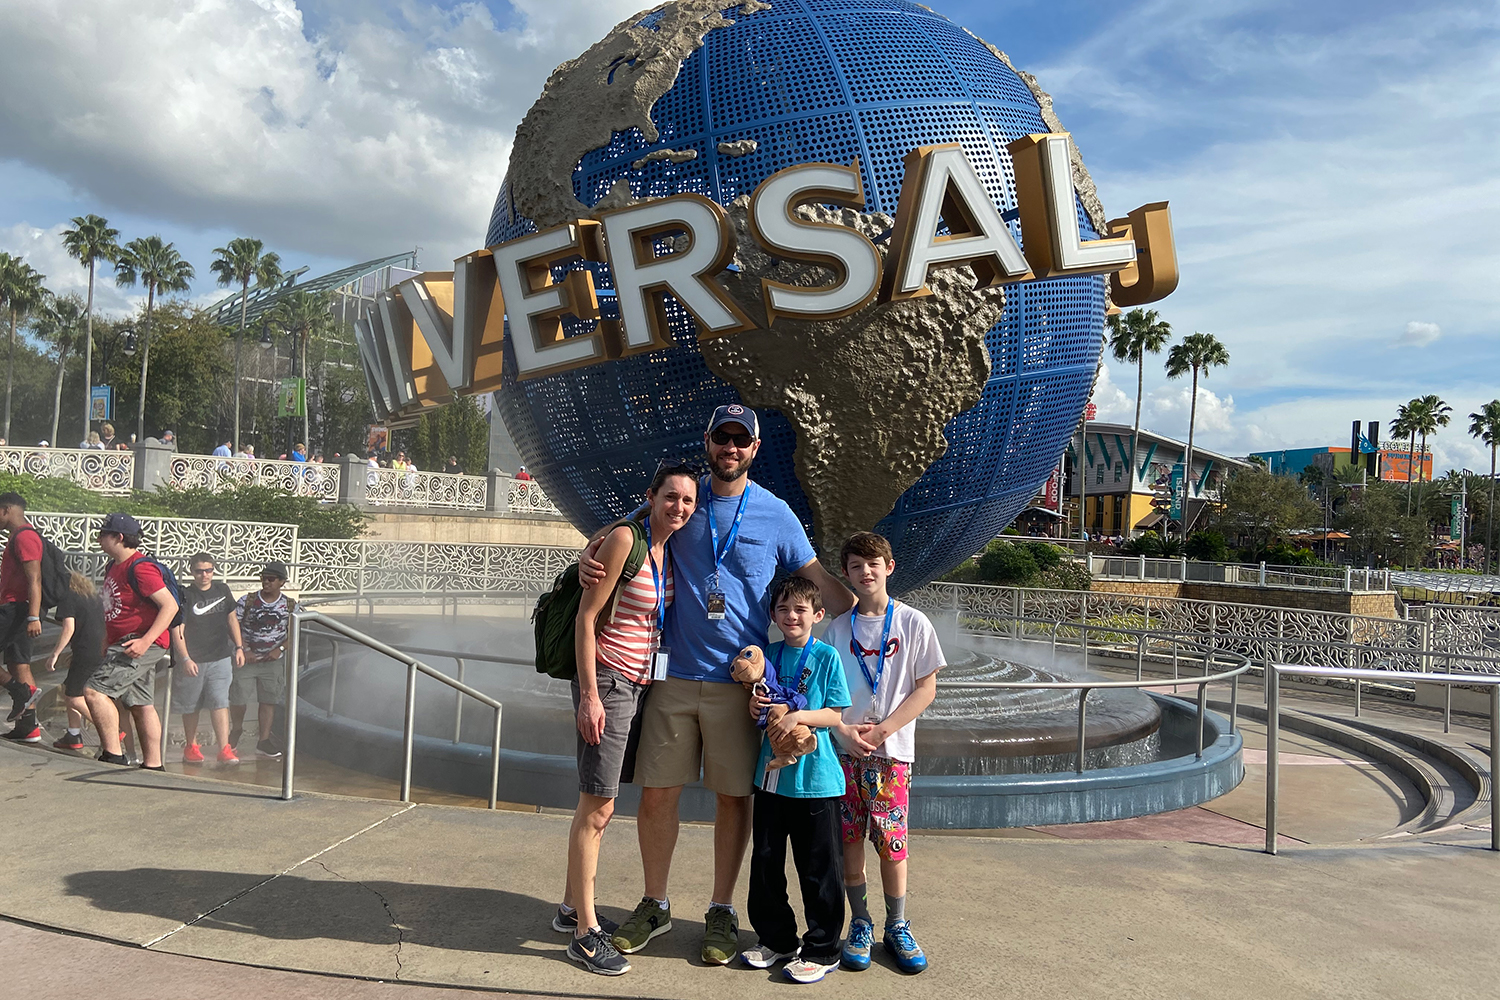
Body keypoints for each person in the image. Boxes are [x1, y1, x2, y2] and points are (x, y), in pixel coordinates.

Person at [589, 404, 854, 966]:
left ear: (754, 448)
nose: (730, 448)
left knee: (734, 799)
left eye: (741, 440)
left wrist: (868, 611)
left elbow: (822, 588)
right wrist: (591, 552)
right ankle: (655, 903)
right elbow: (623, 533)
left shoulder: (776, 513)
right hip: (674, 678)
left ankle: (721, 909)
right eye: (722, 437)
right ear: (708, 441)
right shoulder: (685, 500)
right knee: (658, 794)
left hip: (740, 689)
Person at [559, 464, 698, 977]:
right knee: (597, 807)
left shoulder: (667, 549)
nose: (679, 507)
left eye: (688, 500)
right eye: (671, 497)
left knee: (600, 804)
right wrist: (590, 696)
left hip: (640, 686)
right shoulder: (625, 540)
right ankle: (585, 934)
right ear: (651, 497)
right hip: (610, 683)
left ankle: (570, 907)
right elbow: (586, 618)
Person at [824, 531, 944, 976]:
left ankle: (897, 924)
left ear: (889, 567)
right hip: (845, 753)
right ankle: (860, 922)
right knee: (849, 841)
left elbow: (926, 688)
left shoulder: (913, 623)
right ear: (845, 573)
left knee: (893, 845)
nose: (865, 572)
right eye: (856, 566)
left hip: (891, 756)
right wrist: (842, 730)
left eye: (873, 563)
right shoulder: (838, 629)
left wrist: (884, 730)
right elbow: (825, 694)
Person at [742, 576, 850, 984]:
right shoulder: (768, 653)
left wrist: (798, 716)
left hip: (816, 781)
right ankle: (777, 939)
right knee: (766, 862)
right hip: (772, 778)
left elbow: (835, 714)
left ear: (818, 615)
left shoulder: (826, 657)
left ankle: (823, 948)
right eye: (784, 609)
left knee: (819, 868)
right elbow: (758, 706)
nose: (792, 616)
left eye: (801, 609)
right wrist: (755, 706)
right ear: (773, 615)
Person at [88, 513, 177, 769]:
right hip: (124, 641)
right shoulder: (113, 566)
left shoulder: (141, 567)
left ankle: (113, 754)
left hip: (138, 643)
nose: (99, 539)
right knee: (140, 703)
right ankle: (153, 764)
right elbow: (115, 608)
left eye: (103, 534)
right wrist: (107, 638)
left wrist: (145, 641)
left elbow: (169, 606)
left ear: (119, 537)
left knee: (94, 691)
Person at [174, 553, 244, 765]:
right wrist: (185, 658)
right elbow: (178, 629)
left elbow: (232, 619)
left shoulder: (222, 590)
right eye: (199, 571)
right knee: (191, 705)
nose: (204, 575)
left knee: (220, 701)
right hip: (193, 659)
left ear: (213, 570)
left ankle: (224, 748)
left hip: (220, 656)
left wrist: (239, 647)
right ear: (192, 572)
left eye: (208, 570)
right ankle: (191, 746)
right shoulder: (186, 595)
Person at [231, 561, 294, 759]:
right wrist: (244, 648)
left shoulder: (290, 605)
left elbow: (296, 631)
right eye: (263, 578)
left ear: (282, 582)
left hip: (272, 661)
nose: (266, 582)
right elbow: (233, 625)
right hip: (246, 659)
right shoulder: (247, 601)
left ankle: (263, 740)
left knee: (268, 700)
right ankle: (236, 729)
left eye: (271, 579)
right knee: (238, 698)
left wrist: (280, 649)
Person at [0, 493, 45, 743]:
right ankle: (28, 726)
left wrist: (33, 616)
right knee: (19, 664)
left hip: (16, 609)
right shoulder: (18, 536)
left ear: (6, 510)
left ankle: (19, 691)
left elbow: (34, 578)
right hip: (18, 608)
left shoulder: (25, 537)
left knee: (20, 666)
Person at [46, 572, 107, 752]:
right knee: (71, 688)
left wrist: (55, 654)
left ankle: (109, 729)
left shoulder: (68, 596)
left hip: (86, 650)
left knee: (73, 696)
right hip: (97, 649)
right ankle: (73, 734)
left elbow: (68, 628)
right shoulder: (92, 596)